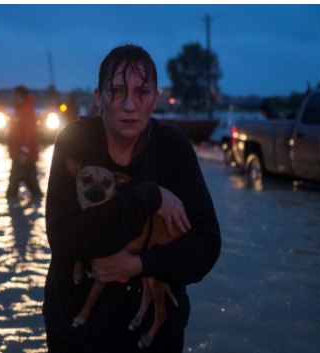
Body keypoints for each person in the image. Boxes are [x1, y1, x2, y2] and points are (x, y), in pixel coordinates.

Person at [44, 44, 221, 352]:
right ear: (98, 97)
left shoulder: (173, 147)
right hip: (76, 332)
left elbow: (206, 246)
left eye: (142, 92)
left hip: (155, 338)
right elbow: (62, 238)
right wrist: (149, 196)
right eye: (117, 90)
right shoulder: (75, 140)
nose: (129, 104)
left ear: (155, 98)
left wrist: (138, 264)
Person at [6, 85, 43, 198]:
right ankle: (38, 205)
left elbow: (29, 133)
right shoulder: (21, 110)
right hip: (21, 155)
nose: (14, 98)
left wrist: (24, 152)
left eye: (16, 96)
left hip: (23, 156)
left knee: (13, 187)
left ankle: (14, 209)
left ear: (22, 97)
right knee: (30, 183)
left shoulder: (26, 111)